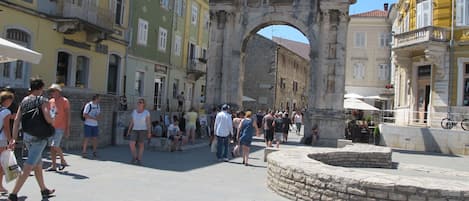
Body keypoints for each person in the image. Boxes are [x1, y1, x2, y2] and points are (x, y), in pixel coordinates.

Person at [9, 78, 55, 201]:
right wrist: (53, 118)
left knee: (38, 164)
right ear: (40, 88)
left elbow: (17, 120)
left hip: (27, 136)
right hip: (39, 137)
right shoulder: (43, 100)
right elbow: (48, 118)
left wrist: (13, 138)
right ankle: (13, 194)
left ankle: (44, 190)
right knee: (29, 166)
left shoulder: (24, 101)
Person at [46, 84, 70, 171]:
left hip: (60, 126)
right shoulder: (50, 101)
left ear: (58, 92)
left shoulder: (64, 101)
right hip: (51, 126)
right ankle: (53, 165)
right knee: (52, 147)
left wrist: (67, 128)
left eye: (54, 91)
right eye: (51, 91)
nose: (52, 93)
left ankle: (63, 160)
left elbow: (67, 115)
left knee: (55, 145)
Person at [126, 99, 151, 165]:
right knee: (131, 144)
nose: (139, 103)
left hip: (143, 130)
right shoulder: (134, 111)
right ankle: (135, 157)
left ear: (143, 104)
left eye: (141, 102)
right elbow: (131, 122)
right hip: (134, 130)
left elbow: (148, 123)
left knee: (141, 145)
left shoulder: (146, 112)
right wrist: (128, 131)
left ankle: (139, 159)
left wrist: (149, 132)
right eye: (138, 102)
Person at [0, 91, 15, 193]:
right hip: (2, 139)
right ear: (7, 100)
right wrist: (10, 140)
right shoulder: (6, 112)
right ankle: (0, 186)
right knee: (2, 164)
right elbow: (6, 127)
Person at [82, 94, 101, 158]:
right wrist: (93, 118)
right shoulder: (88, 105)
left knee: (95, 138)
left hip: (95, 125)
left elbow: (98, 113)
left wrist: (98, 117)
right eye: (99, 98)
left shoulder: (98, 105)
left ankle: (94, 152)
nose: (100, 100)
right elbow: (84, 115)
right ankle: (84, 152)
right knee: (86, 138)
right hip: (88, 124)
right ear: (96, 98)